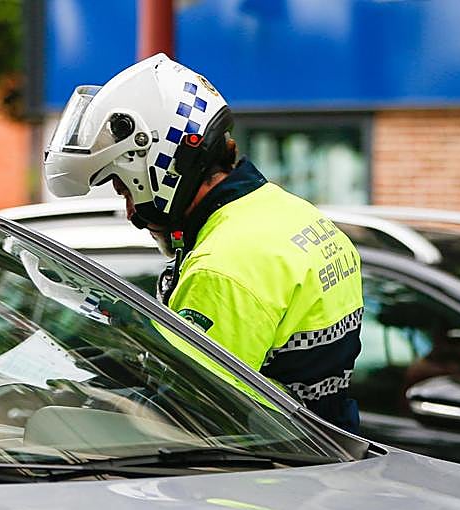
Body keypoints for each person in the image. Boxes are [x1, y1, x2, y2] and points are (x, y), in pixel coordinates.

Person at [42, 54, 365, 431]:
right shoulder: (288, 213)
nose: (130, 211)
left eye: (124, 188)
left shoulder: (222, 266)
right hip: (321, 438)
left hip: (254, 474)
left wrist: (82, 401)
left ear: (157, 165)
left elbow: (191, 417)